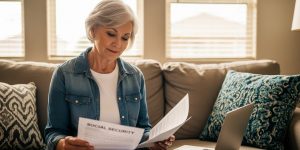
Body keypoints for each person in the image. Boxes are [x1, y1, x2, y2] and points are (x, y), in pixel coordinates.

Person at [44, 0, 175, 150]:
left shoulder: (135, 77)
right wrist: (62, 144)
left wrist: (155, 140)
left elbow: (143, 129)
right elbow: (53, 133)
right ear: (93, 30)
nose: (118, 44)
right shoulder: (64, 74)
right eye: (111, 34)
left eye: (125, 37)